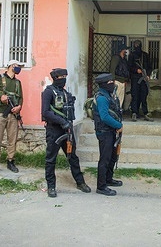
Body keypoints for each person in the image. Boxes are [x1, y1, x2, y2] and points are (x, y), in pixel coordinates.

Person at [41, 68, 91, 198]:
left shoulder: (65, 93)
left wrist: (67, 124)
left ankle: (80, 182)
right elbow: (45, 112)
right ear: (55, 78)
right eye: (61, 77)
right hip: (54, 130)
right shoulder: (48, 92)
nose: (63, 79)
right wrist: (61, 121)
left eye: (65, 76)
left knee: (72, 157)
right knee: (51, 159)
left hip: (67, 130)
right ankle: (51, 186)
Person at [0, 60, 24, 175]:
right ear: (11, 66)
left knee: (12, 139)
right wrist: (1, 96)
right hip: (0, 113)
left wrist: (19, 107)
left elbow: (21, 98)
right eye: (17, 66)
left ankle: (10, 161)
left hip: (13, 114)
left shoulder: (18, 82)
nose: (18, 68)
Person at [93, 73, 124, 196]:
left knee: (112, 157)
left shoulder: (109, 95)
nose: (113, 84)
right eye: (111, 83)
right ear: (104, 84)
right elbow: (104, 117)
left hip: (111, 131)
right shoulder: (101, 98)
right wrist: (118, 125)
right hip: (104, 132)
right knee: (104, 159)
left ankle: (108, 179)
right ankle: (101, 186)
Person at [128, 40, 153, 122]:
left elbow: (150, 67)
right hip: (135, 78)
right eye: (135, 44)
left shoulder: (145, 55)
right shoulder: (132, 55)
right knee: (135, 96)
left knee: (144, 96)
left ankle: (145, 113)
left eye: (138, 44)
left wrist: (148, 75)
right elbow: (129, 67)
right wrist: (136, 70)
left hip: (144, 79)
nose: (137, 46)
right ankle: (134, 112)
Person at [109, 44, 130, 108]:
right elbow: (112, 69)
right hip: (117, 81)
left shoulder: (124, 59)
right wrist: (113, 80)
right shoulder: (116, 58)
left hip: (123, 82)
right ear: (122, 50)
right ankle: (114, 113)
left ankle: (118, 113)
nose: (127, 51)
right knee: (115, 98)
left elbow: (126, 70)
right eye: (126, 49)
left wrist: (126, 80)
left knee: (121, 99)